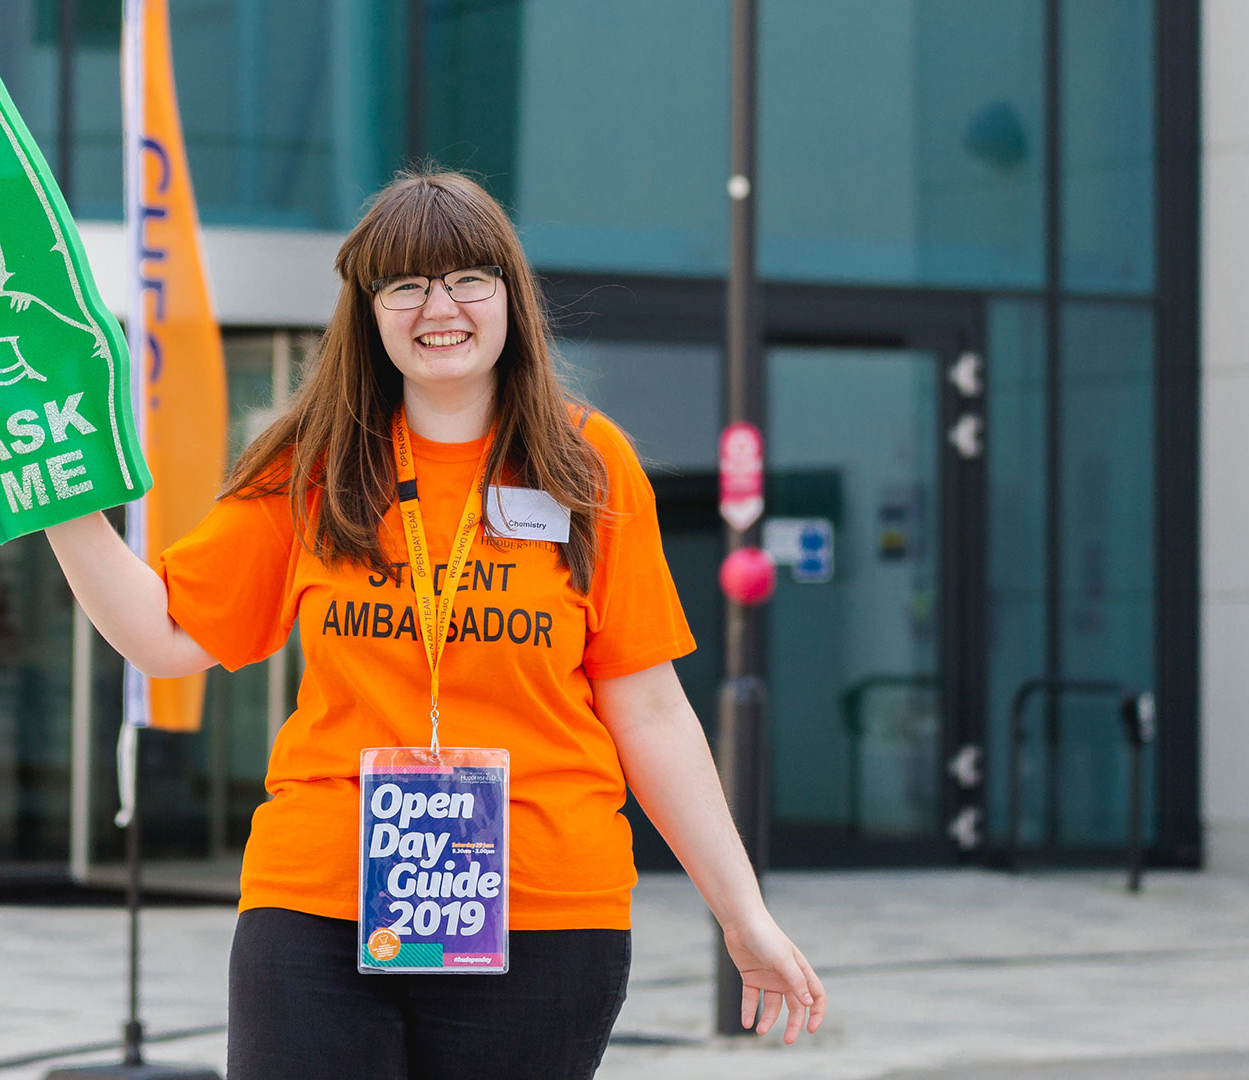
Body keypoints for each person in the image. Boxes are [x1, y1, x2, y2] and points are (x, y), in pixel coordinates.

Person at [46, 169, 823, 1080]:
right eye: (405, 284)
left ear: (509, 297)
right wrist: (51, 493)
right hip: (320, 905)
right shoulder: (314, 466)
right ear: (369, 312)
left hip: (544, 912)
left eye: (467, 280)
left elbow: (649, 711)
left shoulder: (587, 465)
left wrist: (742, 913)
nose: (438, 307)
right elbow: (162, 635)